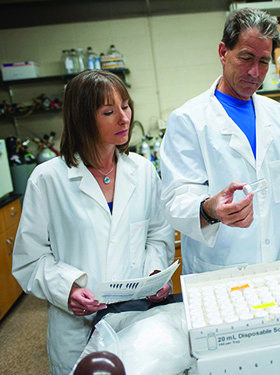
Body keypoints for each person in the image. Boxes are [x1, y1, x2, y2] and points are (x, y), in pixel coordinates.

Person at [12, 70, 175, 374]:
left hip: (137, 318)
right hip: (77, 328)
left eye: (125, 106)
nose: (124, 118)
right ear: (82, 118)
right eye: (109, 111)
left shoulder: (141, 171)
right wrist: (68, 288)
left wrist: (154, 273)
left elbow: (157, 235)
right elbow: (29, 259)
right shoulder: (48, 180)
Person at [160, 8, 280, 277]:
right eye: (246, 58)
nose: (255, 72)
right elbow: (175, 200)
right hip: (219, 273)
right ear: (222, 52)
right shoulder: (188, 120)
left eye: (264, 61)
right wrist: (210, 209)